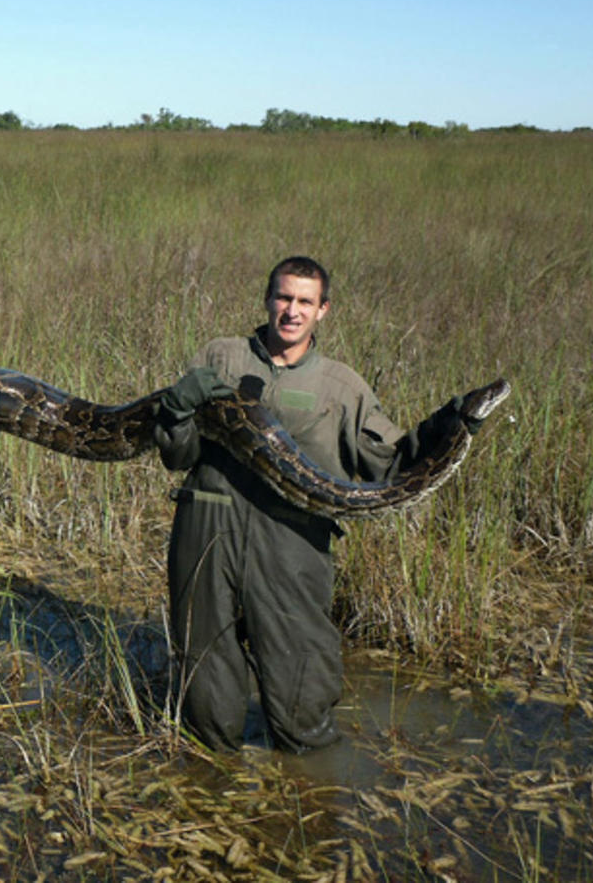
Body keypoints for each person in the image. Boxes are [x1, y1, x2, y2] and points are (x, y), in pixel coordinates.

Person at [155, 256, 478, 752]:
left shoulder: (340, 387)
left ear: (323, 310)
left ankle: (307, 795)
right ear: (267, 300)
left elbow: (390, 468)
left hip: (291, 543)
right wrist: (175, 411)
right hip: (207, 528)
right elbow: (178, 456)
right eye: (284, 297)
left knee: (300, 691)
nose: (292, 310)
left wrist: (448, 429)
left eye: (305, 301)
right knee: (205, 685)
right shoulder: (220, 358)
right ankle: (211, 789)